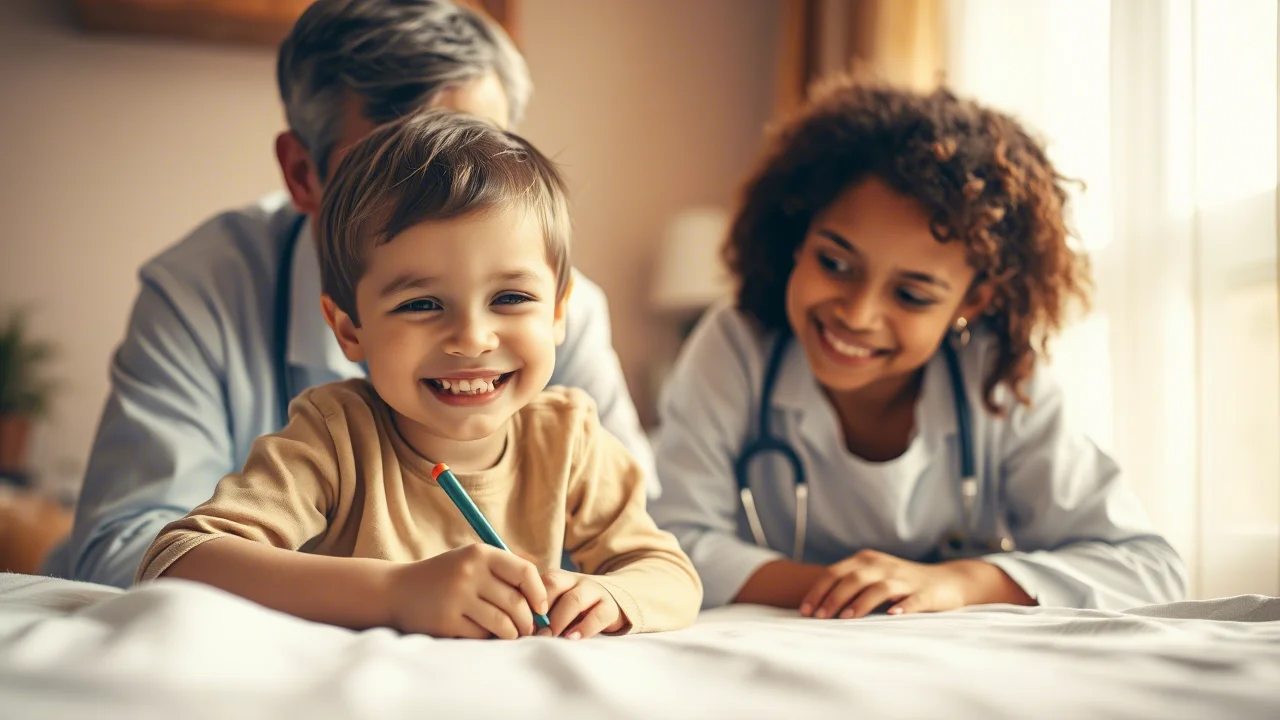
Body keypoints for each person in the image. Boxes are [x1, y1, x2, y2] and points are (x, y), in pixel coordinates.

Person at [56, 0, 653, 589]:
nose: (449, 206)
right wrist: (388, 596)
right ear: (300, 172)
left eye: (475, 149)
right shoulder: (202, 291)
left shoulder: (556, 312)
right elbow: (133, 549)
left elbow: (639, 542)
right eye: (386, 167)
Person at [136, 109, 701, 640]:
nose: (473, 338)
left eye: (510, 297)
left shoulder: (570, 438)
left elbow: (670, 573)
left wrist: (611, 594)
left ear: (558, 313)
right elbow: (176, 561)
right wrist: (395, 592)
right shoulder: (334, 435)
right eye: (421, 304)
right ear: (350, 328)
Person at [650, 77, 1187, 616]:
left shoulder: (997, 374)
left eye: (911, 295)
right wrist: (866, 591)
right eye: (834, 263)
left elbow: (1148, 568)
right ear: (798, 237)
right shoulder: (737, 344)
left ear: (973, 302)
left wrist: (959, 584)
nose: (857, 315)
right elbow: (673, 545)